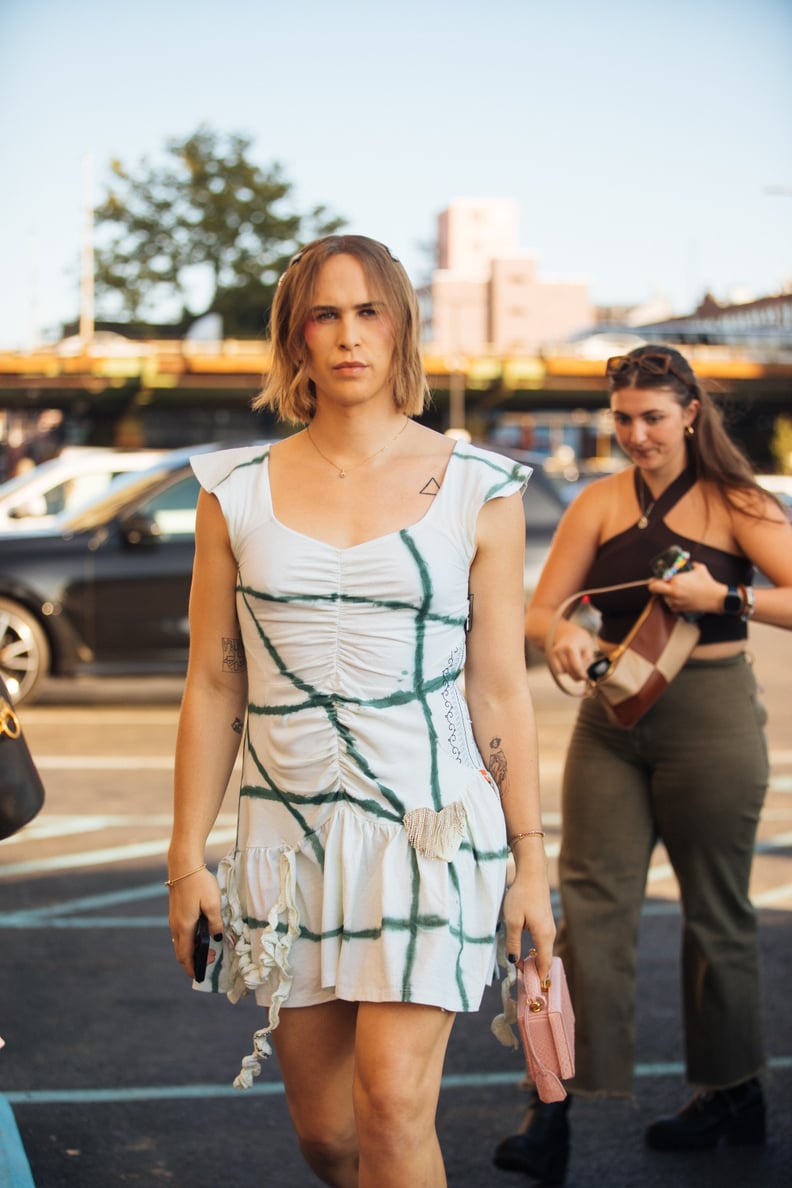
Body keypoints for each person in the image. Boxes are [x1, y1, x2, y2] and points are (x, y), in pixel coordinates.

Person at [166, 234, 555, 1188]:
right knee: (328, 1136)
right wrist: (183, 860)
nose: (349, 335)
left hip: (427, 831)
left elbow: (499, 684)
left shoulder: (477, 487)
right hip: (284, 839)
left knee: (390, 1109)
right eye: (324, 314)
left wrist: (532, 865)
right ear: (296, 339)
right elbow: (215, 683)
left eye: (369, 311)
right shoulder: (233, 491)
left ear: (401, 327)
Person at [493, 344, 792, 1182]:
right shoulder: (598, 500)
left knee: (716, 914)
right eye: (622, 419)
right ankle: (549, 1109)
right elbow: (540, 609)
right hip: (612, 719)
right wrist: (564, 632)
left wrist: (725, 598)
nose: (635, 434)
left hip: (712, 717)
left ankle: (734, 1094)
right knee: (577, 913)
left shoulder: (737, 502)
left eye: (652, 418)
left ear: (690, 413)